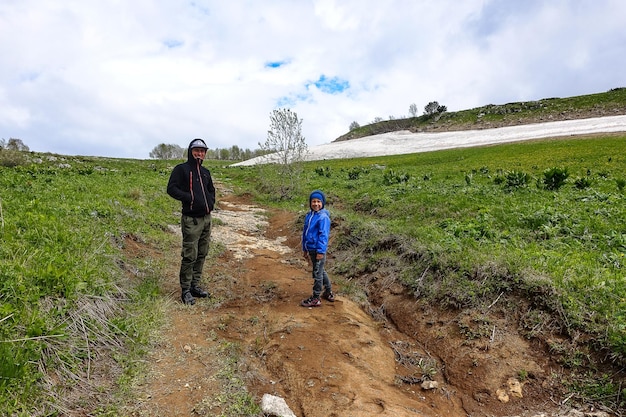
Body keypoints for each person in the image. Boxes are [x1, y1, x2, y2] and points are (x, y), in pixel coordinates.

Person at [167, 138, 215, 305]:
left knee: (202, 253)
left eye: (202, 151)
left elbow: (211, 190)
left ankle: (195, 285)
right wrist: (190, 198)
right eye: (197, 150)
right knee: (190, 255)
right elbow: (171, 188)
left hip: (206, 219)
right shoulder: (181, 169)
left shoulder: (205, 172)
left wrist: (211, 203)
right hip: (191, 220)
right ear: (190, 151)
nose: (199, 153)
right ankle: (185, 289)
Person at [301, 190, 335, 307]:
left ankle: (316, 298)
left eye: (318, 201)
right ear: (310, 203)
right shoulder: (310, 216)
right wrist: (304, 248)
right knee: (320, 271)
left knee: (317, 274)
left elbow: (323, 236)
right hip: (310, 248)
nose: (316, 204)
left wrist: (321, 251)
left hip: (317, 250)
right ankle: (328, 292)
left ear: (323, 203)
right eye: (313, 201)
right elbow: (305, 233)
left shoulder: (323, 217)